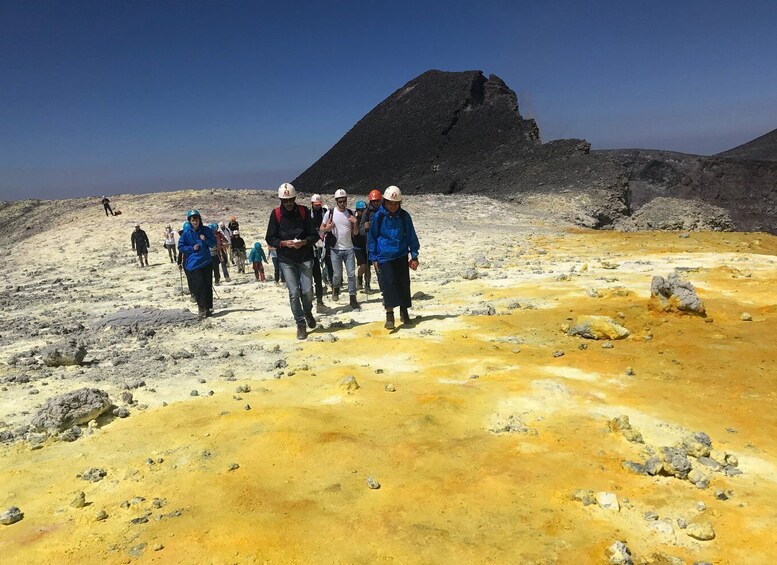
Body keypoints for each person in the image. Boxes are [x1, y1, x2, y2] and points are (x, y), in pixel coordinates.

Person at [265, 182, 319, 340]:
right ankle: (300, 323)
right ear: (281, 200)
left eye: (290, 200)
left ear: (295, 198)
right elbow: (270, 237)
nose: (288, 203)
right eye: (285, 200)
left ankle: (307, 311)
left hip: (305, 257)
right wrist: (283, 243)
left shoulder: (303, 211)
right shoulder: (275, 214)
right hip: (286, 259)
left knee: (308, 291)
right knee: (294, 292)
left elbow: (314, 235)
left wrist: (303, 242)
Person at [368, 186, 420, 329]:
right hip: (384, 256)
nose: (393, 206)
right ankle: (389, 314)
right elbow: (372, 237)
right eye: (390, 202)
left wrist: (414, 256)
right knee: (389, 285)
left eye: (396, 203)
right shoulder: (378, 216)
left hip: (401, 254)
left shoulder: (404, 216)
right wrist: (373, 258)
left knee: (403, 284)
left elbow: (411, 236)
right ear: (384, 202)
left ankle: (404, 311)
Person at [319, 189, 360, 310]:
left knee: (351, 274)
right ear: (336, 201)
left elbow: (356, 233)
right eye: (340, 201)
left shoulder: (350, 213)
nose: (342, 203)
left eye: (344, 201)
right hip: (335, 249)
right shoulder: (330, 213)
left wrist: (356, 222)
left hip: (349, 248)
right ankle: (336, 288)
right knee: (337, 274)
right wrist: (329, 227)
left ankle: (353, 298)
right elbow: (322, 228)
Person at [177, 209, 216, 318]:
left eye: (197, 219)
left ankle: (208, 308)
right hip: (194, 264)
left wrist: (205, 239)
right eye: (193, 220)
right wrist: (191, 248)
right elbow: (180, 247)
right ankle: (201, 307)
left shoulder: (206, 230)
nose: (195, 222)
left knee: (208, 285)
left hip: (206, 261)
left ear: (200, 219)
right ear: (190, 221)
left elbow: (213, 243)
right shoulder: (186, 234)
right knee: (199, 285)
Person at [360, 189, 383, 295]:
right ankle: (367, 284)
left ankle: (384, 289)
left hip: (382, 242)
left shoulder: (384, 210)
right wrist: (365, 228)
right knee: (369, 265)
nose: (376, 203)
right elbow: (361, 229)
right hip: (371, 243)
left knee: (381, 267)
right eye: (374, 201)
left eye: (377, 201)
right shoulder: (366, 212)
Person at [310, 194, 327, 312]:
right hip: (310, 247)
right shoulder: (307, 215)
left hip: (322, 241)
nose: (317, 207)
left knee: (318, 276)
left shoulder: (324, 212)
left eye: (319, 205)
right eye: (315, 205)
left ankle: (319, 302)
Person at [353, 200, 368, 292]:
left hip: (366, 245)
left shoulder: (367, 219)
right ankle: (359, 278)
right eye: (360, 210)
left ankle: (367, 285)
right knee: (363, 266)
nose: (362, 212)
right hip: (358, 246)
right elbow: (355, 232)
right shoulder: (355, 220)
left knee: (368, 267)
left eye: (364, 210)